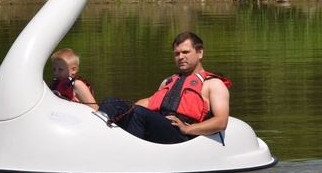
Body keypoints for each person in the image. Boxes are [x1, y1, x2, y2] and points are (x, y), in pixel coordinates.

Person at [98, 32, 231, 144]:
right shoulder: (168, 81)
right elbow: (149, 103)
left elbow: (221, 122)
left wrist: (186, 128)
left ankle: (133, 157)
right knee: (112, 103)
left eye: (185, 52)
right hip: (159, 126)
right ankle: (100, 144)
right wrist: (125, 112)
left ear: (200, 53)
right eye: (177, 54)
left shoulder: (213, 84)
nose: (181, 57)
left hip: (182, 135)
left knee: (139, 114)